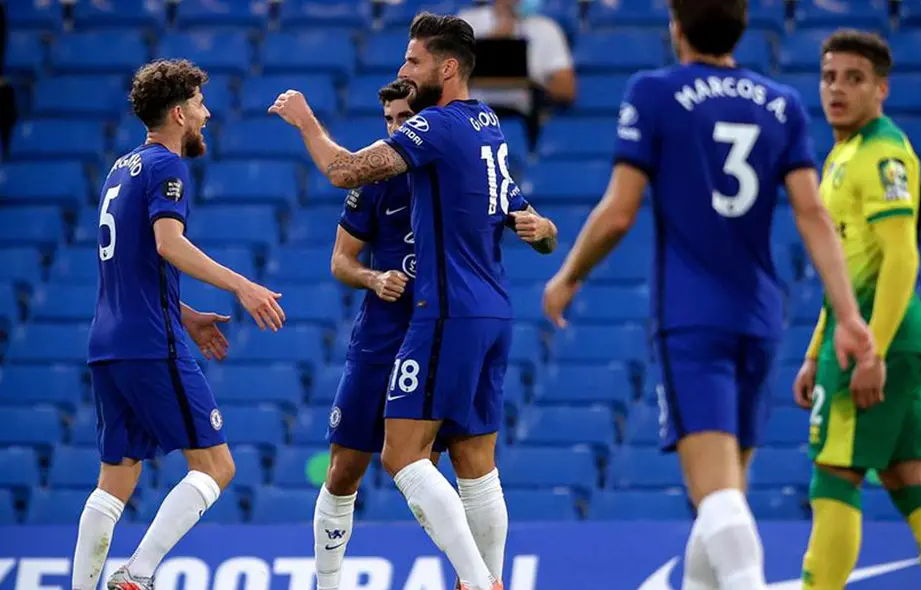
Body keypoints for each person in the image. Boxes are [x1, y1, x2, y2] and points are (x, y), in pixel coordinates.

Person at [541, 1, 875, 589]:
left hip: (692, 316)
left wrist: (568, 275)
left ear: (677, 26)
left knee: (715, 495)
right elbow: (812, 214)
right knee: (725, 496)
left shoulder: (654, 92)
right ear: (742, 28)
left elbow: (619, 212)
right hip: (759, 316)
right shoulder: (782, 102)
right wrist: (847, 315)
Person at [270, 14, 558, 590]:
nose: (404, 69)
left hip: (446, 311)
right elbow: (529, 220)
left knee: (402, 456)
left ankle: (478, 581)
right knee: (476, 464)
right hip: (491, 311)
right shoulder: (486, 125)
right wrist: (544, 230)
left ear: (447, 68)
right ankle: (488, 576)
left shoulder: (439, 126)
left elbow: (343, 169)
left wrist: (305, 122)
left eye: (413, 60)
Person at [71, 59, 286, 590]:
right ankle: (138, 575)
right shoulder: (168, 166)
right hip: (149, 342)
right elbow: (168, 244)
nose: (206, 114)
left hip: (108, 343)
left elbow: (132, 261)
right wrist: (241, 285)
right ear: (178, 114)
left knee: (116, 477)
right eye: (199, 104)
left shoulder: (121, 168)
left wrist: (183, 313)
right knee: (216, 467)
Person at [794, 30, 921, 590]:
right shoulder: (843, 153)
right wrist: (813, 350)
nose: (837, 89)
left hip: (875, 338)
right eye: (829, 77)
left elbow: (901, 255)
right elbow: (842, 272)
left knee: (833, 475)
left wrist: (871, 350)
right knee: (913, 481)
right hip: (871, 334)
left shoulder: (882, 154)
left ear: (882, 89)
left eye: (854, 79)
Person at [312, 78, 426, 590]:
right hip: (379, 338)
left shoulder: (455, 170)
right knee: (343, 471)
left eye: (406, 119)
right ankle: (327, 583)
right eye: (389, 121)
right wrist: (374, 278)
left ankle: (475, 575)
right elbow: (340, 260)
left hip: (438, 335)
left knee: (428, 468)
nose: (395, 130)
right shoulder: (373, 179)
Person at [456, 0, 576, 115]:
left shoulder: (547, 29)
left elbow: (567, 90)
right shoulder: (467, 22)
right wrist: (493, 46)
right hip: (471, 115)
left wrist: (535, 85)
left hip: (524, 116)